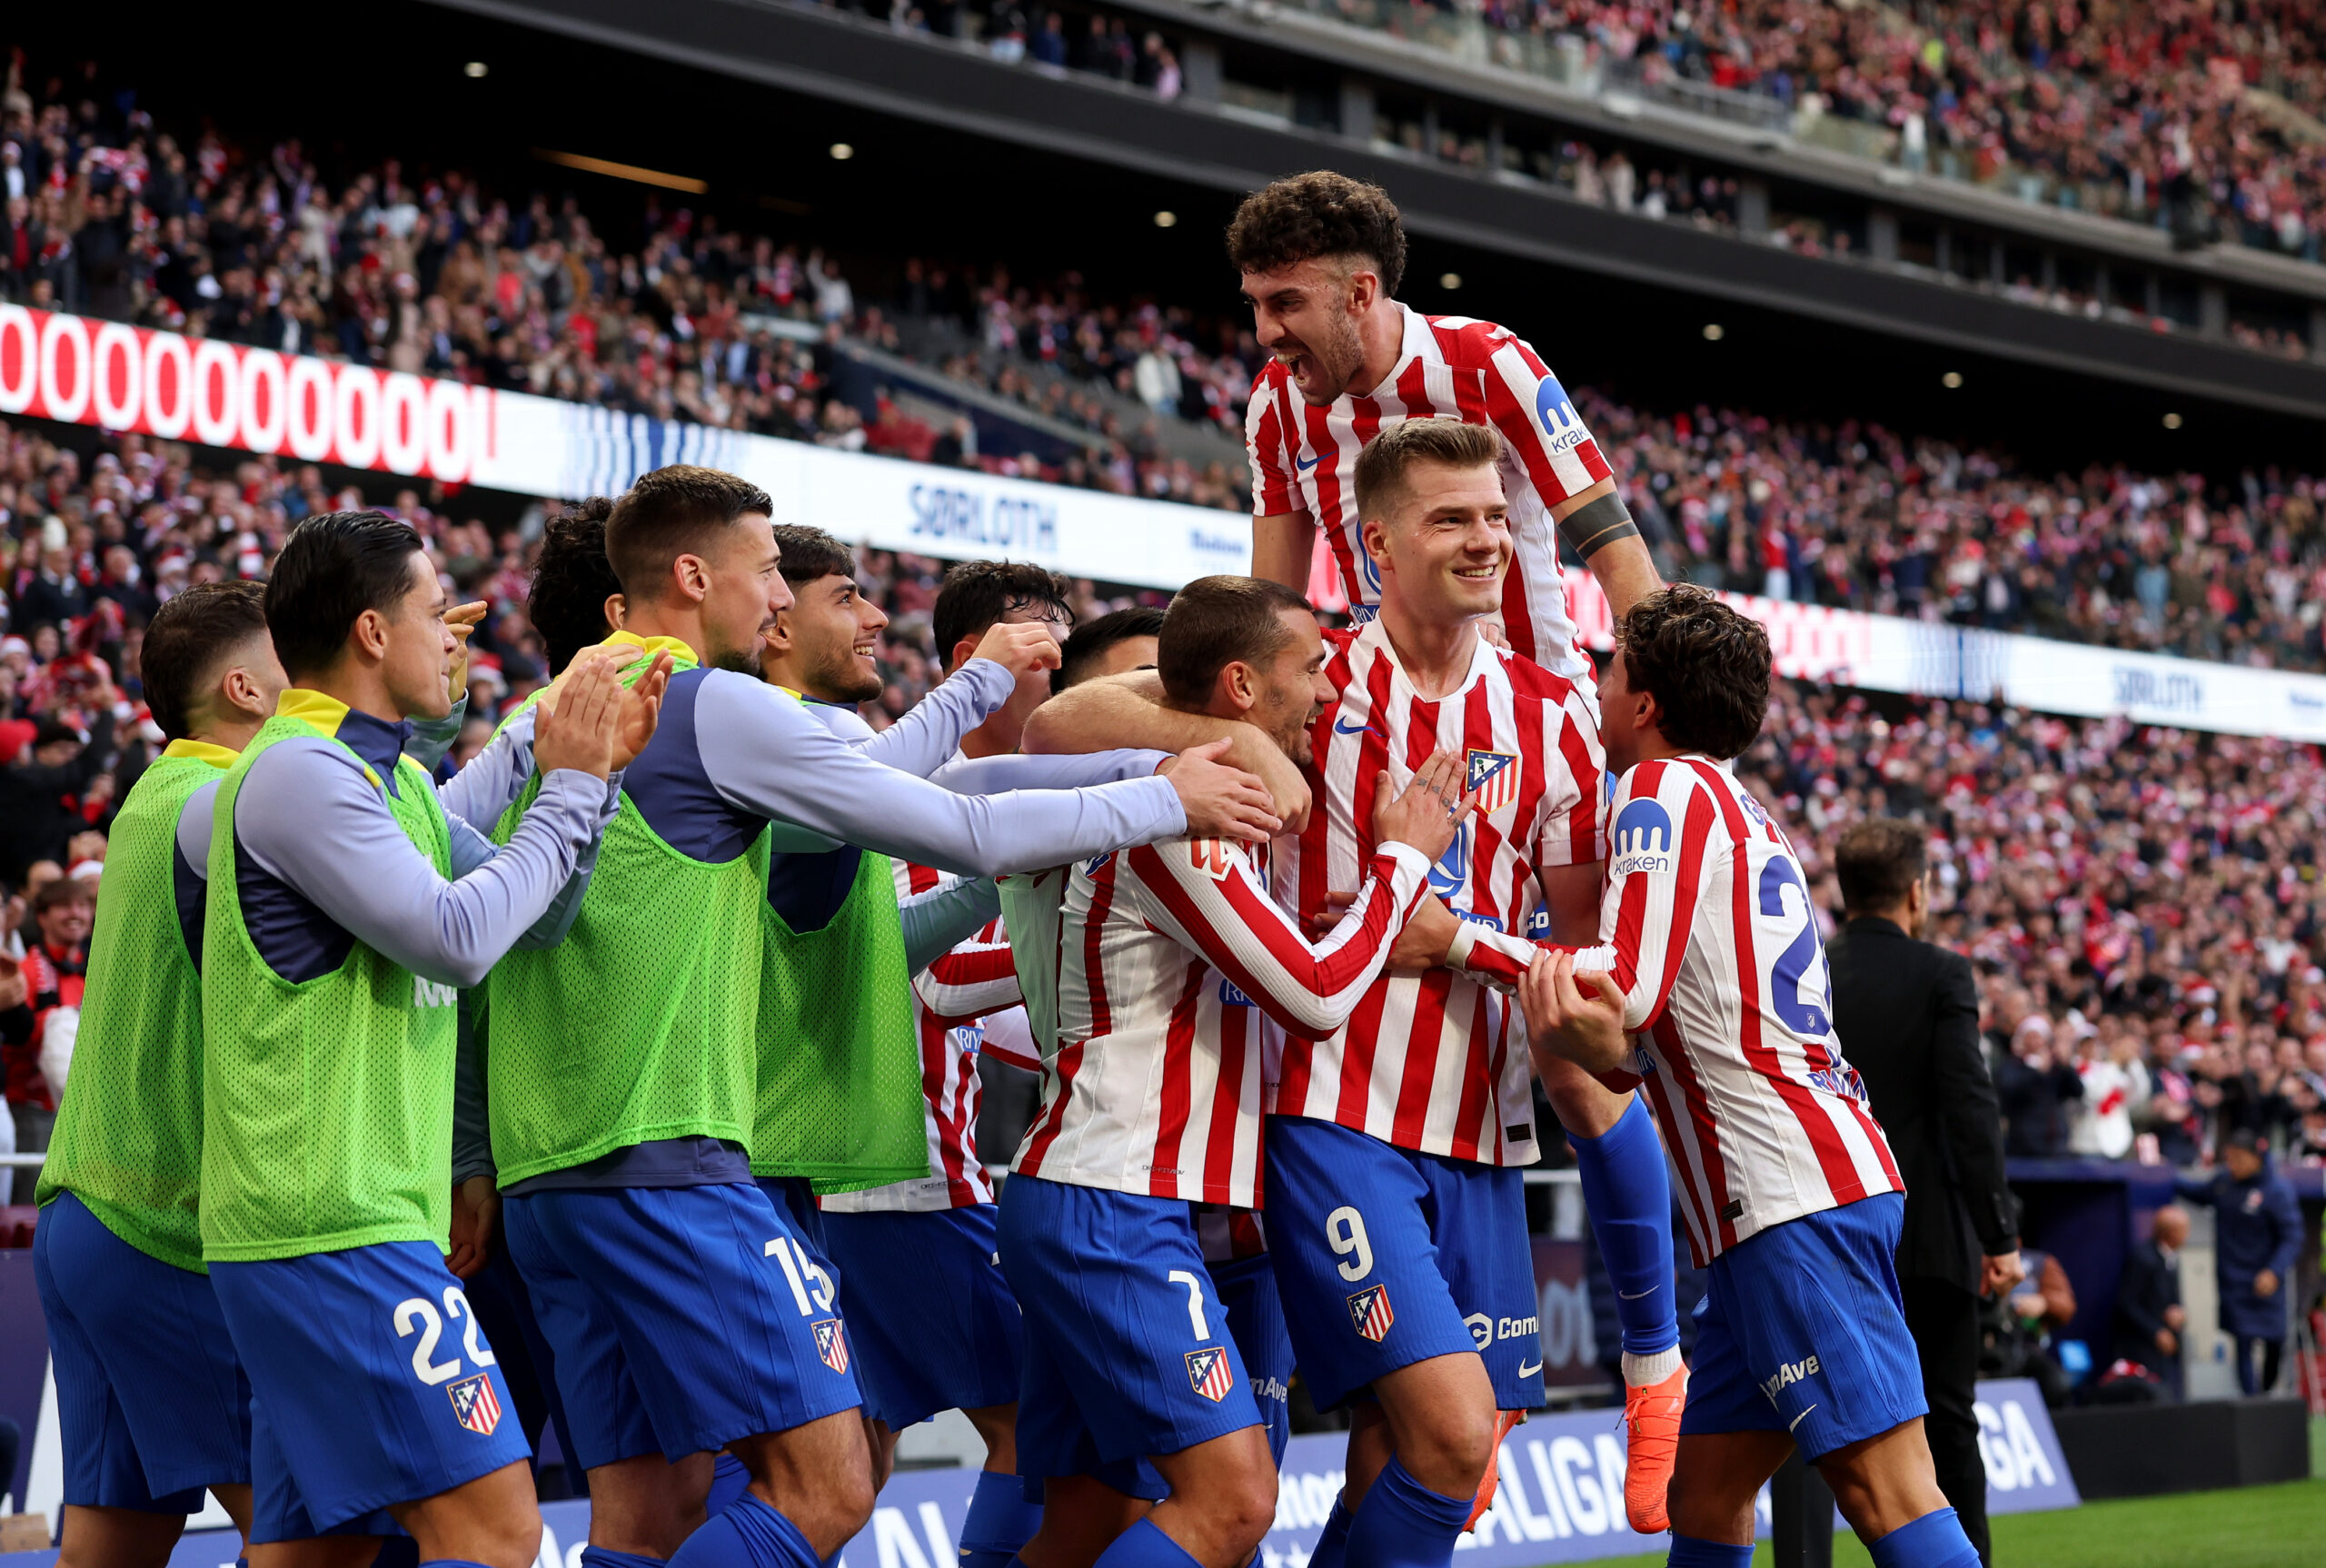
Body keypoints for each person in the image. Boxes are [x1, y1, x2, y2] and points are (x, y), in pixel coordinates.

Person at [480, 466, 1280, 1568]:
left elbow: (943, 793)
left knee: (651, 1513)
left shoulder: (544, 716)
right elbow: (963, 824)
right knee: (828, 1485)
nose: (777, 598)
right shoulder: (715, 707)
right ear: (693, 576)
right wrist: (1161, 795)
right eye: (774, 571)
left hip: (545, 1173)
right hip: (666, 1154)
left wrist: (1142, 763)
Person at [1030, 420, 1671, 1567]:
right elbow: (1057, 723)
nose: (1485, 541)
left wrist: (1491, 957)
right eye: (1451, 518)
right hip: (1332, 1109)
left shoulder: (1553, 711)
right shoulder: (1311, 680)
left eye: (1496, 517)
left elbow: (1578, 947)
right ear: (1377, 544)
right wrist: (1238, 747)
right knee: (1445, 1431)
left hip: (1481, 1124)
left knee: (1430, 1455)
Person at [1230, 174, 1688, 1530]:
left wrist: (1667, 724)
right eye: (1256, 306)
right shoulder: (1279, 410)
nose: (1266, 333)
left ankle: (1656, 1367)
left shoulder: (1488, 359)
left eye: (1285, 303)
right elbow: (1267, 594)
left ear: (1362, 291)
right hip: (1388, 709)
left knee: (1578, 1042)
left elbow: (1604, 538)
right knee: (1428, 1440)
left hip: (1536, 726)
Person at [198, 510, 651, 1568]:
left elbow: (536, 918)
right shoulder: (301, 771)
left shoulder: (393, 779)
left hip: (347, 1220)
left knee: (317, 1554)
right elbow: (457, 938)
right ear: (371, 631)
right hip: (326, 1225)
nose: (456, 635)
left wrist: (599, 774)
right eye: (434, 609)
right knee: (499, 1528)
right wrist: (565, 781)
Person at [1516, 584, 1983, 1568]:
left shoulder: (1658, 791)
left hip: (1785, 1196)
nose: (1599, 691)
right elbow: (1652, 1031)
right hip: (1770, 1201)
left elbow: (1624, 994)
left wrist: (1468, 945)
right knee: (1707, 1492)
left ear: (1645, 702)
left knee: (1886, 1487)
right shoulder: (1736, 804)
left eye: (1611, 673)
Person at [1003, 574, 1463, 1568]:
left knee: (1084, 1524)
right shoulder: (1183, 823)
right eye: (1312, 668)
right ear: (1244, 686)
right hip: (1112, 1200)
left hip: (1096, 1190)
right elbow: (1316, 996)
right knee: (1235, 1502)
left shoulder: (1179, 800)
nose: (1329, 690)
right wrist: (1402, 865)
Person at [29, 582, 283, 1568]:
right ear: (245, 690)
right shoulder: (234, 804)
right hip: (164, 1228)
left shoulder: (152, 794)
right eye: (291, 657)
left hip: (86, 1217)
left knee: (114, 1543)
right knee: (315, 1534)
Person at [1825, 819, 2023, 1567]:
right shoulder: (1942, 973)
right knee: (1949, 1420)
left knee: (1804, 1426)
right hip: (1931, 1237)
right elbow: (1969, 1107)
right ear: (1916, 892)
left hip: (1829, 1228)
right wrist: (1998, 1234)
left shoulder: (1806, 968)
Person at [2179, 1128, 2301, 1395]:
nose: (2232, 1165)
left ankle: (2266, 1391)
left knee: (2274, 1341)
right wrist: (2163, 1172)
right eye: (2229, 1159)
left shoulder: (2277, 1190)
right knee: (2241, 1341)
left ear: (2255, 1158)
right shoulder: (2224, 1183)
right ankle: (2251, 1402)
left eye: (2238, 1159)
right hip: (2233, 1280)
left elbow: (2292, 1237)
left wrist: (2274, 1271)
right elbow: (2196, 1192)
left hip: (2265, 1280)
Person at [2110, 1206, 2187, 1399]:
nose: (2187, 1236)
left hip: (2163, 1353)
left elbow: (2168, 1299)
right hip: (2140, 1351)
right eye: (2184, 1230)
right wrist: (2156, 1331)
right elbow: (2126, 1303)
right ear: (2172, 1232)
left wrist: (2178, 1313)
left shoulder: (2170, 1259)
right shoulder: (2142, 1258)